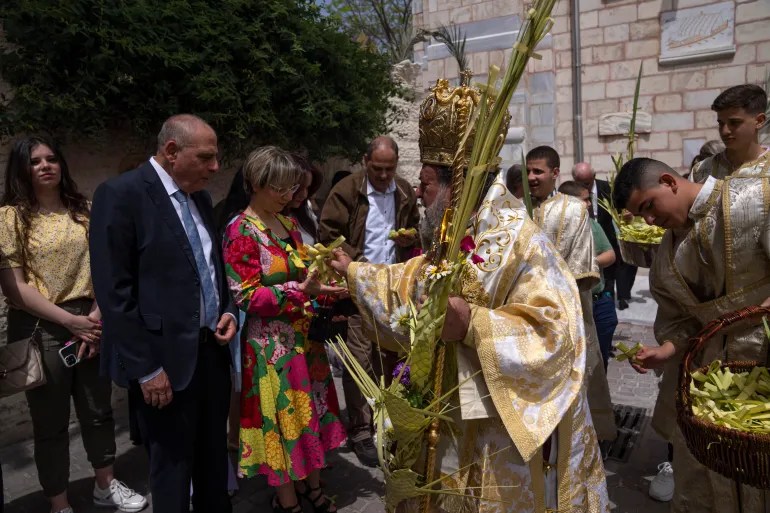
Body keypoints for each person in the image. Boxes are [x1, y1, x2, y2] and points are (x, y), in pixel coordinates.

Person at [89, 114, 237, 513]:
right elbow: (114, 293)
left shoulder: (201, 197)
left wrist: (227, 310)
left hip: (210, 356)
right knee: (172, 471)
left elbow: (212, 269)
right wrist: (146, 368)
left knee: (213, 462)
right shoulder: (121, 195)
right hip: (164, 364)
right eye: (206, 157)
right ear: (172, 151)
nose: (215, 167)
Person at [613, 157, 770, 512]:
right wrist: (666, 350)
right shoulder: (666, 257)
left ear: (669, 181)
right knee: (705, 476)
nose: (650, 221)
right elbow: (680, 321)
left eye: (648, 206)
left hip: (764, 363)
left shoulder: (755, 198)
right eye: (641, 217)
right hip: (711, 383)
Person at [0, 137, 147, 513]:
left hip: (92, 318)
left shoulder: (85, 209)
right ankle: (59, 503)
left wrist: (96, 317)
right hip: (42, 326)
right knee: (50, 424)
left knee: (98, 411)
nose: (45, 166)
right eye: (35, 161)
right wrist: (71, 321)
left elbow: (108, 265)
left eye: (51, 158)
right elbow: (15, 288)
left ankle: (106, 485)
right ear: (22, 169)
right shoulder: (11, 217)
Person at [222, 146, 346, 513]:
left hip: (302, 339)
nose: (291, 196)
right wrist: (297, 291)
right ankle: (287, 497)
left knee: (307, 416)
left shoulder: (288, 224)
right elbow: (245, 296)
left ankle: (312, 485)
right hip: (270, 348)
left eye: (293, 188)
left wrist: (323, 288)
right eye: (283, 188)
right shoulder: (240, 230)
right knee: (283, 421)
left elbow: (300, 276)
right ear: (257, 183)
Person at [318, 136, 420, 467]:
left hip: (392, 291)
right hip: (357, 290)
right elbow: (329, 234)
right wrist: (359, 268)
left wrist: (409, 238)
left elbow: (415, 229)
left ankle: (387, 423)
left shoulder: (403, 191)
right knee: (360, 359)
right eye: (377, 169)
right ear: (366, 161)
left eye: (389, 169)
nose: (383, 176)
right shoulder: (347, 190)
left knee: (391, 358)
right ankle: (360, 428)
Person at [526, 145, 616, 441]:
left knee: (576, 387)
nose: (531, 177)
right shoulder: (517, 211)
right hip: (525, 316)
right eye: (528, 171)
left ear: (555, 173)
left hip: (569, 314)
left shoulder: (574, 209)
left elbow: (581, 271)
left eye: (538, 171)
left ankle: (581, 443)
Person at [559, 181, 618, 370]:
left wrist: (586, 261)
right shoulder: (555, 229)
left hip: (598, 302)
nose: (589, 204)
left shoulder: (593, 225)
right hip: (570, 307)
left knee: (599, 362)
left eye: (589, 199)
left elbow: (610, 255)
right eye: (585, 200)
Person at [572, 161, 637, 310]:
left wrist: (626, 216)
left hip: (608, 235)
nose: (584, 187)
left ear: (594, 176)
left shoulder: (607, 188)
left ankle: (619, 298)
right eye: (579, 183)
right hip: (586, 238)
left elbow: (620, 208)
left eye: (587, 183)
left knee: (614, 268)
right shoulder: (571, 193)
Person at [690, 84, 769, 183]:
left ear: (759, 121)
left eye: (734, 122)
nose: (725, 131)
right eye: (721, 123)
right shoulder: (702, 170)